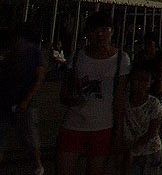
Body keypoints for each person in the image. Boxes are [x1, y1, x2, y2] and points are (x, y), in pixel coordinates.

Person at [57, 11, 130, 175]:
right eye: (94, 30)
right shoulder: (77, 56)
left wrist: (118, 134)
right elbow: (64, 91)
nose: (100, 34)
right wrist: (70, 99)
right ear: (87, 33)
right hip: (74, 123)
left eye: (105, 29)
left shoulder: (121, 60)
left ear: (112, 31)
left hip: (103, 126)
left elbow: (119, 99)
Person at [1, 23, 46, 175]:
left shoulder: (33, 53)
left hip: (24, 101)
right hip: (7, 100)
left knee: (29, 136)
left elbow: (38, 78)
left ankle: (37, 165)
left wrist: (26, 100)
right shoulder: (11, 54)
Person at [122, 64, 162, 175]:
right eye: (137, 79)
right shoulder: (123, 101)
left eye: (145, 81)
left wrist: (134, 148)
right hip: (130, 150)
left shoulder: (153, 103)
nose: (140, 84)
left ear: (151, 83)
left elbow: (152, 131)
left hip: (150, 150)